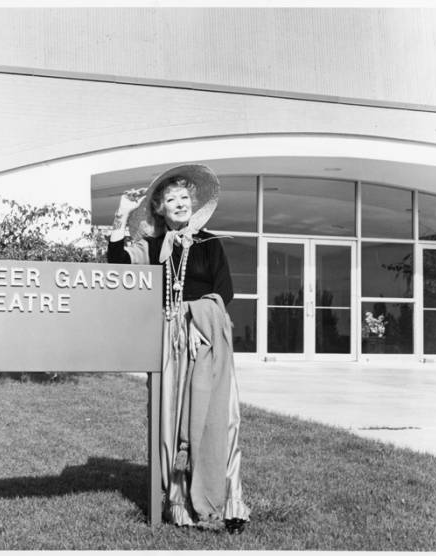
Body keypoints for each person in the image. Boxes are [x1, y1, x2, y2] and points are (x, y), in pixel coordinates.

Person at [107, 164, 250, 533]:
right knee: (170, 418)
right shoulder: (151, 246)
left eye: (185, 197)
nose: (179, 204)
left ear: (194, 203)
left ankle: (226, 502)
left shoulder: (209, 242)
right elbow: (118, 266)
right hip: (168, 340)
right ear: (159, 208)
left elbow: (225, 292)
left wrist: (194, 317)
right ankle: (175, 501)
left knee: (217, 418)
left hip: (205, 337)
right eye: (171, 199)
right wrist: (122, 213)